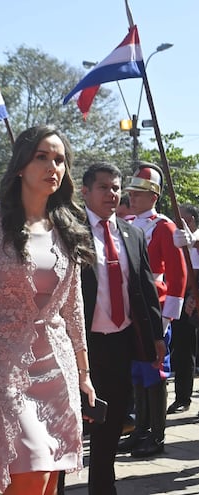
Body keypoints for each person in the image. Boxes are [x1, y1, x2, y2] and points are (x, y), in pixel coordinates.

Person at [0, 125, 96, 495]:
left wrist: (85, 373)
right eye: (41, 157)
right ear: (19, 167)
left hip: (56, 368)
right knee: (31, 472)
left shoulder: (67, 227)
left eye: (59, 159)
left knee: (46, 480)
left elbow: (72, 307)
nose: (52, 166)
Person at [80, 162, 164, 495]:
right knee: (70, 425)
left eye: (116, 188)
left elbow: (145, 288)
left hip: (119, 342)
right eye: (103, 187)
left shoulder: (132, 233)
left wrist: (156, 335)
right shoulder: (68, 231)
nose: (112, 194)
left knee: (112, 422)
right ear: (85, 191)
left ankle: (103, 486)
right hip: (80, 345)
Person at [118, 162, 187, 458]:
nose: (132, 197)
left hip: (155, 308)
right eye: (131, 193)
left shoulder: (164, 226)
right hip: (130, 309)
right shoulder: (130, 223)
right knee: (136, 373)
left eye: (138, 193)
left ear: (154, 196)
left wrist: (168, 317)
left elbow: (178, 275)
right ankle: (140, 430)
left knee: (154, 373)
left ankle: (156, 436)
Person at [167, 203, 199, 414]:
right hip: (180, 299)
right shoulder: (174, 238)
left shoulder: (195, 238)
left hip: (193, 299)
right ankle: (182, 398)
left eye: (183, 221)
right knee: (181, 351)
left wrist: (193, 296)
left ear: (192, 221)